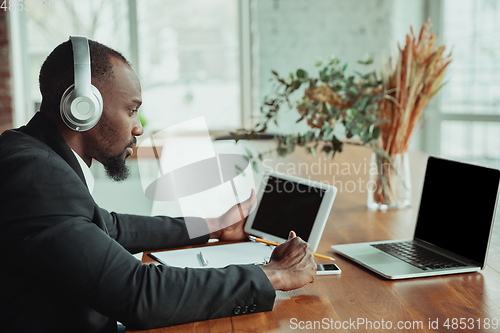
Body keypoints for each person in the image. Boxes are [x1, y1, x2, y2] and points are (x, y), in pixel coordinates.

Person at [0, 38, 316, 333]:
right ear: (83, 107)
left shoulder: (32, 154)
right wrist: (274, 274)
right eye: (132, 109)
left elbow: (109, 226)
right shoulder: (35, 174)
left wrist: (215, 226)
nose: (138, 127)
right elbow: (138, 293)